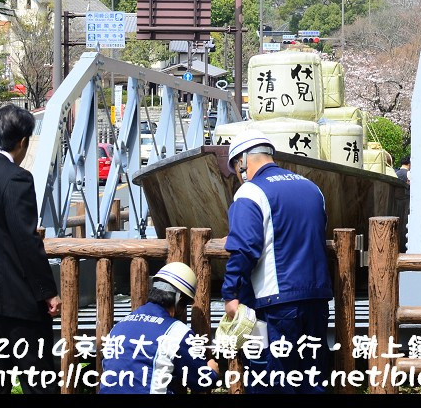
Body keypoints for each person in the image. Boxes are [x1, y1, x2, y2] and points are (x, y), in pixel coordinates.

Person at [222, 128, 334, 394]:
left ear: (243, 161)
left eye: (236, 169)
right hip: (317, 300)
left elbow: (244, 248)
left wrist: (230, 293)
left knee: (272, 380)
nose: (238, 176)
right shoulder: (312, 188)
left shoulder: (251, 192)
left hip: (276, 304)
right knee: (311, 379)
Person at [0, 105, 63, 395]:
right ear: (21, 142)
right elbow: (26, 240)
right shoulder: (16, 178)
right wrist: (47, 291)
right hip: (17, 302)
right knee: (38, 381)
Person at [100, 262, 220, 394]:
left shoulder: (119, 327)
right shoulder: (177, 332)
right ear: (179, 300)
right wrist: (212, 370)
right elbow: (201, 380)